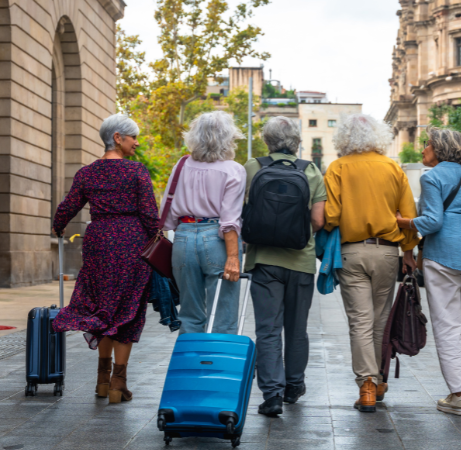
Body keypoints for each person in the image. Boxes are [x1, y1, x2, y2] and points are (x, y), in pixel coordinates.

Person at [52, 114, 160, 404]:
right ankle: (117, 384)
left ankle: (102, 380)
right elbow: (150, 215)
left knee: (103, 308)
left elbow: (67, 208)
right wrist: (159, 242)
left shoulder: (87, 174)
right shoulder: (137, 172)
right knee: (128, 309)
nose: (136, 142)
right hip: (131, 243)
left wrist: (57, 226)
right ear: (117, 137)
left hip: (98, 241)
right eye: (133, 137)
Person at [323, 114, 418, 413]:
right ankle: (376, 382)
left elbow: (332, 216)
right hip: (388, 252)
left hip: (351, 252)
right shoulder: (392, 167)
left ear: (345, 138)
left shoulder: (337, 168)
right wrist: (408, 251)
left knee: (360, 322)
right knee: (379, 320)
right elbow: (408, 214)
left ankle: (366, 384)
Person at [396, 128, 461, 416]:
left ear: (439, 149)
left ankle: (460, 393)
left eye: (427, 145)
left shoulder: (431, 177)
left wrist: (404, 222)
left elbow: (433, 221)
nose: (423, 149)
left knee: (447, 323)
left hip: (446, 254)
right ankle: (457, 387)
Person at [243, 117, 327, 416]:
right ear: (296, 140)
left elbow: (243, 212)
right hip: (301, 261)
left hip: (263, 260)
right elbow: (318, 220)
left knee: (267, 329)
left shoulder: (253, 167)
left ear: (267, 139)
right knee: (297, 329)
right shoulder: (311, 170)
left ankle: (272, 395)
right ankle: (294, 385)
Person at [162, 111, 245, 335]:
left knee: (188, 315)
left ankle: (190, 368)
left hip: (183, 238)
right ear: (228, 137)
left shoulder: (181, 165)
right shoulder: (234, 170)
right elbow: (229, 221)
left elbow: (167, 217)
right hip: (216, 240)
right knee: (223, 315)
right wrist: (233, 257)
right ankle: (218, 368)